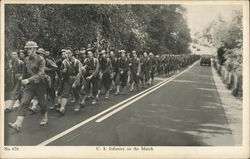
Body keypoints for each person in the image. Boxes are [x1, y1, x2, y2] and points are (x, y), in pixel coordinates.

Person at [8, 41, 48, 131]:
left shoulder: (41, 59)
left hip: (39, 84)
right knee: (24, 103)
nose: (27, 50)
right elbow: (24, 72)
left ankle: (45, 117)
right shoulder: (26, 59)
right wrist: (23, 78)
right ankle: (18, 124)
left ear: (34, 49)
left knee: (42, 103)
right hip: (29, 86)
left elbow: (41, 73)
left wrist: (28, 79)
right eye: (27, 49)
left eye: (29, 49)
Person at [57, 49, 83, 113]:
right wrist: (63, 71)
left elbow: (80, 73)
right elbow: (61, 71)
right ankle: (62, 108)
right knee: (65, 93)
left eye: (69, 53)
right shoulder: (64, 62)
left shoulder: (77, 62)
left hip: (76, 78)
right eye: (66, 53)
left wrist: (76, 82)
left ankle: (78, 104)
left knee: (76, 93)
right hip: (68, 79)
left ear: (72, 53)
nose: (67, 54)